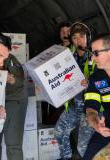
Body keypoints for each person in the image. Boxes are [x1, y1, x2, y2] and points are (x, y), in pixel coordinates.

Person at [54, 22, 95, 160]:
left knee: (83, 147)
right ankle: (65, 157)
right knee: (59, 132)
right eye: (75, 37)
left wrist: (91, 82)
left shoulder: (96, 56)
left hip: (90, 108)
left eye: (82, 36)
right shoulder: (68, 56)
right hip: (73, 105)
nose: (79, 40)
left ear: (88, 37)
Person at [0, 54, 28, 160]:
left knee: (13, 145)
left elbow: (19, 80)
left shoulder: (10, 58)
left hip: (13, 99)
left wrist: (11, 79)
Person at [83, 33, 110, 160]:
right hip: (107, 129)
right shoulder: (96, 78)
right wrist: (97, 126)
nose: (92, 58)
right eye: (92, 53)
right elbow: (91, 109)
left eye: (96, 53)